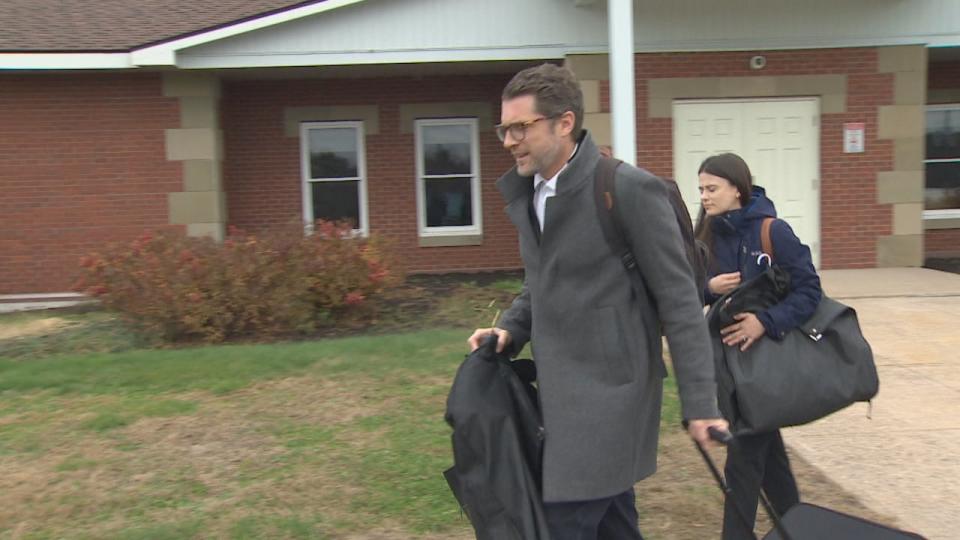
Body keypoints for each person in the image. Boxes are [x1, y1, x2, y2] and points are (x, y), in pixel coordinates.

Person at [467, 63, 728, 540]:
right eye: (503, 129)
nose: (508, 140)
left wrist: (701, 403)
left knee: (552, 527)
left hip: (614, 397)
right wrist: (512, 327)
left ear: (564, 123)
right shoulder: (532, 194)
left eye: (520, 127)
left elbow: (680, 303)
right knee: (613, 527)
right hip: (560, 397)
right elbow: (542, 281)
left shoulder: (626, 189)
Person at [693, 152, 822, 539]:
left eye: (712, 188)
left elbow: (809, 290)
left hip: (763, 366)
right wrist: (708, 289)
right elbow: (682, 290)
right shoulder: (706, 235)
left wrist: (765, 322)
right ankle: (798, 526)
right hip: (728, 367)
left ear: (737, 188)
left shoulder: (772, 231)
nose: (704, 196)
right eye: (700, 189)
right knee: (770, 459)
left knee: (744, 458)